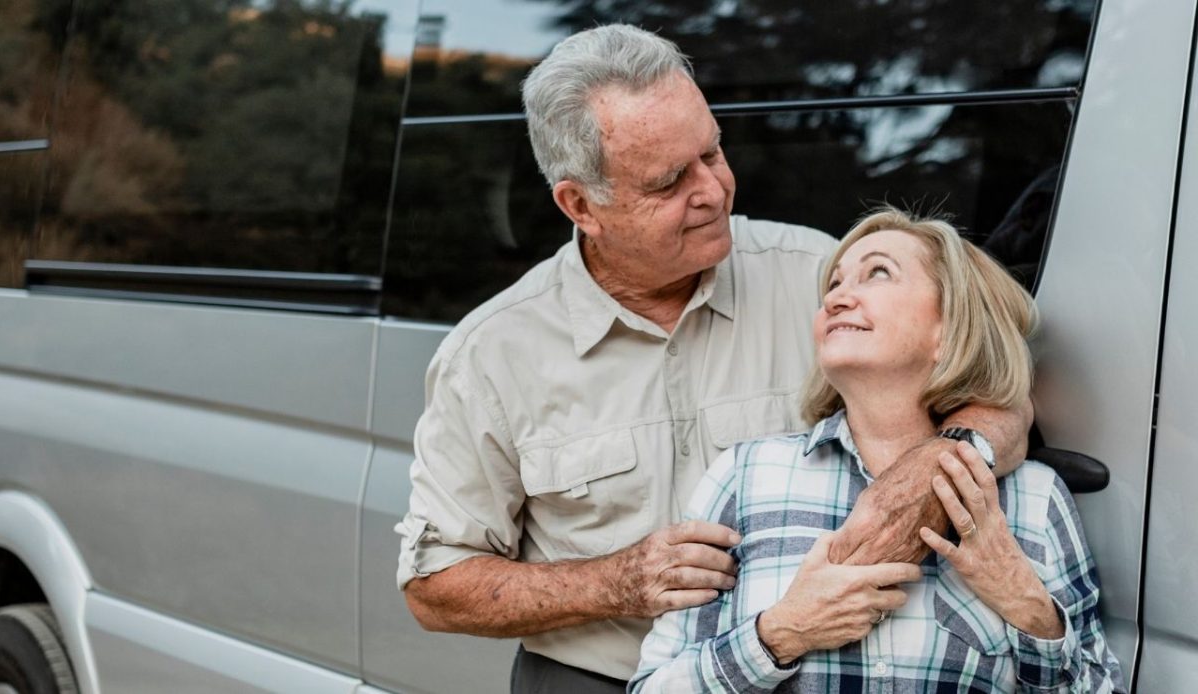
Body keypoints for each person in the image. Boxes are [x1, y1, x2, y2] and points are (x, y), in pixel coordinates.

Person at [396, 25, 1032, 690]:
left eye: (713, 151)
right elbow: (435, 586)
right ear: (580, 204)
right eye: (669, 181)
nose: (713, 190)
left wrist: (944, 458)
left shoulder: (820, 277)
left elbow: (1008, 398)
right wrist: (619, 582)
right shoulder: (491, 353)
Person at [629, 208, 1125, 692]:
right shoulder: (746, 476)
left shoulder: (1034, 498)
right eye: (834, 285)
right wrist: (779, 634)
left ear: (950, 329)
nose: (839, 298)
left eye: (878, 274)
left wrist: (1027, 606)